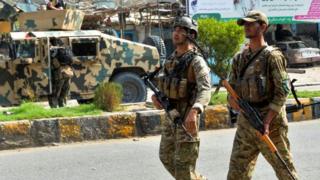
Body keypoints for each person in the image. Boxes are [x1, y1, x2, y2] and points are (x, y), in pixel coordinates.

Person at [227, 10, 299, 180]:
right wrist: (232, 100)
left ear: (263, 27)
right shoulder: (239, 59)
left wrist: (266, 122)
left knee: (286, 172)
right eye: (245, 24)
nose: (247, 27)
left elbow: (282, 91)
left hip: (270, 124)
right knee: (236, 175)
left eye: (251, 23)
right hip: (246, 124)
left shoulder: (272, 57)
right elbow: (231, 88)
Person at [151, 16, 211, 180]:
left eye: (181, 30)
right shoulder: (171, 60)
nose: (176, 33)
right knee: (166, 157)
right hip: (171, 117)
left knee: (184, 167)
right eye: (175, 29)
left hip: (186, 118)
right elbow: (164, 84)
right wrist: (157, 98)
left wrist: (195, 110)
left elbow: (205, 89)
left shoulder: (196, 61)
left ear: (191, 35)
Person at [49, 37, 74, 108]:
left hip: (59, 72)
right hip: (68, 72)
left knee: (56, 90)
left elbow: (52, 60)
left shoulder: (53, 49)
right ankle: (61, 103)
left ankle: (54, 105)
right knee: (65, 89)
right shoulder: (64, 47)